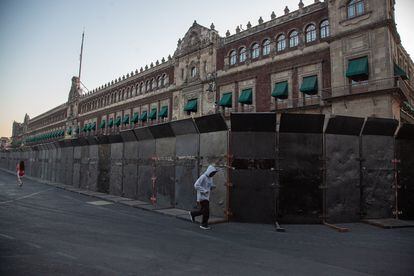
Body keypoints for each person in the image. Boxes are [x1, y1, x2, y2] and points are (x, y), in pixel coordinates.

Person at [189, 165, 218, 230]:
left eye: (214, 173)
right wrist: (204, 191)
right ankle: (204, 224)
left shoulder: (210, 178)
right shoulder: (203, 177)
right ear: (209, 172)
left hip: (206, 197)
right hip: (202, 197)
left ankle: (193, 214)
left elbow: (209, 186)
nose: (213, 174)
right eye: (213, 173)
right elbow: (196, 185)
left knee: (203, 211)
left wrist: (212, 186)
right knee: (206, 211)